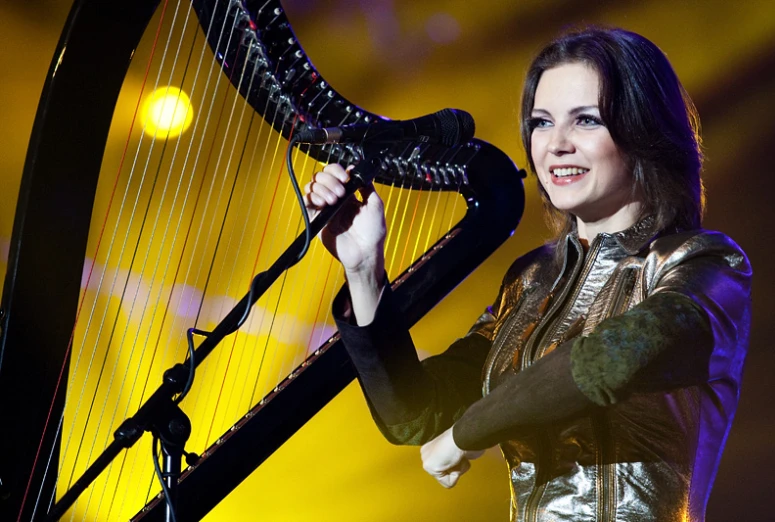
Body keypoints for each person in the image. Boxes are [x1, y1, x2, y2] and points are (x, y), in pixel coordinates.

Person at [304, 26, 751, 522]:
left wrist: (464, 436)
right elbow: (416, 415)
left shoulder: (704, 267)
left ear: (644, 133)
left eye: (585, 120)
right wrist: (364, 269)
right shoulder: (531, 280)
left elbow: (607, 363)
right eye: (541, 122)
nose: (555, 144)